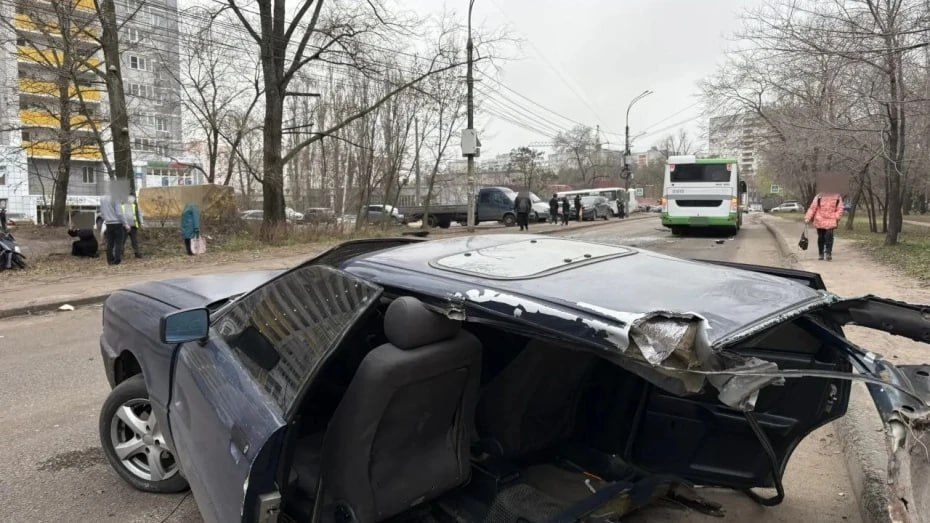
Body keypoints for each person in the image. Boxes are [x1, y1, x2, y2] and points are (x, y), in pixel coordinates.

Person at [804, 192, 845, 261]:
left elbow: (840, 208)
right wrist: (808, 217)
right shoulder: (819, 196)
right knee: (821, 238)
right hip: (820, 219)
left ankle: (828, 253)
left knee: (829, 237)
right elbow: (812, 208)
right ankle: (821, 253)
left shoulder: (837, 196)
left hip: (831, 219)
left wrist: (836, 217)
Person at [99, 194, 130, 265]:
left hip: (108, 223)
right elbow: (119, 213)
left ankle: (110, 260)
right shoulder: (116, 198)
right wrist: (125, 224)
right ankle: (117, 260)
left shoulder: (102, 198)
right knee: (118, 243)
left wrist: (106, 219)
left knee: (110, 243)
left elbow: (102, 212)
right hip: (117, 223)